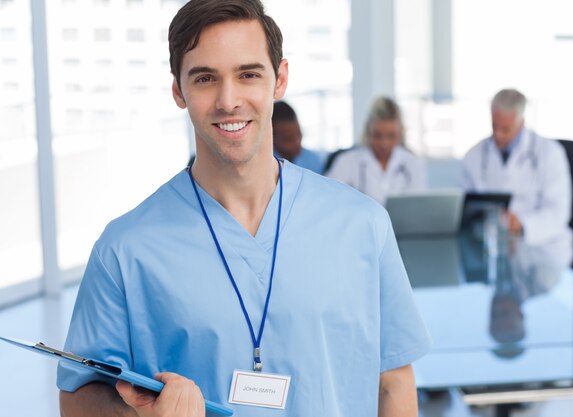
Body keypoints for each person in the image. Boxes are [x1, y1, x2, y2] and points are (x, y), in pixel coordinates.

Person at [57, 1, 431, 417]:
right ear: (179, 90)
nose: (228, 100)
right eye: (205, 79)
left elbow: (393, 382)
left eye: (248, 74)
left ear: (280, 79)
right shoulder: (124, 250)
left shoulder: (363, 225)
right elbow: (79, 395)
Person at [461, 88, 573, 267]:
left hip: (542, 249)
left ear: (521, 122)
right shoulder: (473, 156)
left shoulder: (550, 154)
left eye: (505, 129)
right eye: (494, 126)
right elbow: (465, 208)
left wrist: (521, 224)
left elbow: (558, 213)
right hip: (491, 248)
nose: (498, 134)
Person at [326, 96, 428, 205]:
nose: (384, 143)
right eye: (378, 135)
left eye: (391, 136)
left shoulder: (412, 163)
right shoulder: (347, 162)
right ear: (368, 132)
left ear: (400, 133)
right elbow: (328, 198)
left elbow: (418, 206)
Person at [272, 100, 325, 174]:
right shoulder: (264, 163)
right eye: (289, 139)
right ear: (272, 138)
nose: (297, 142)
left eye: (299, 134)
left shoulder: (312, 160)